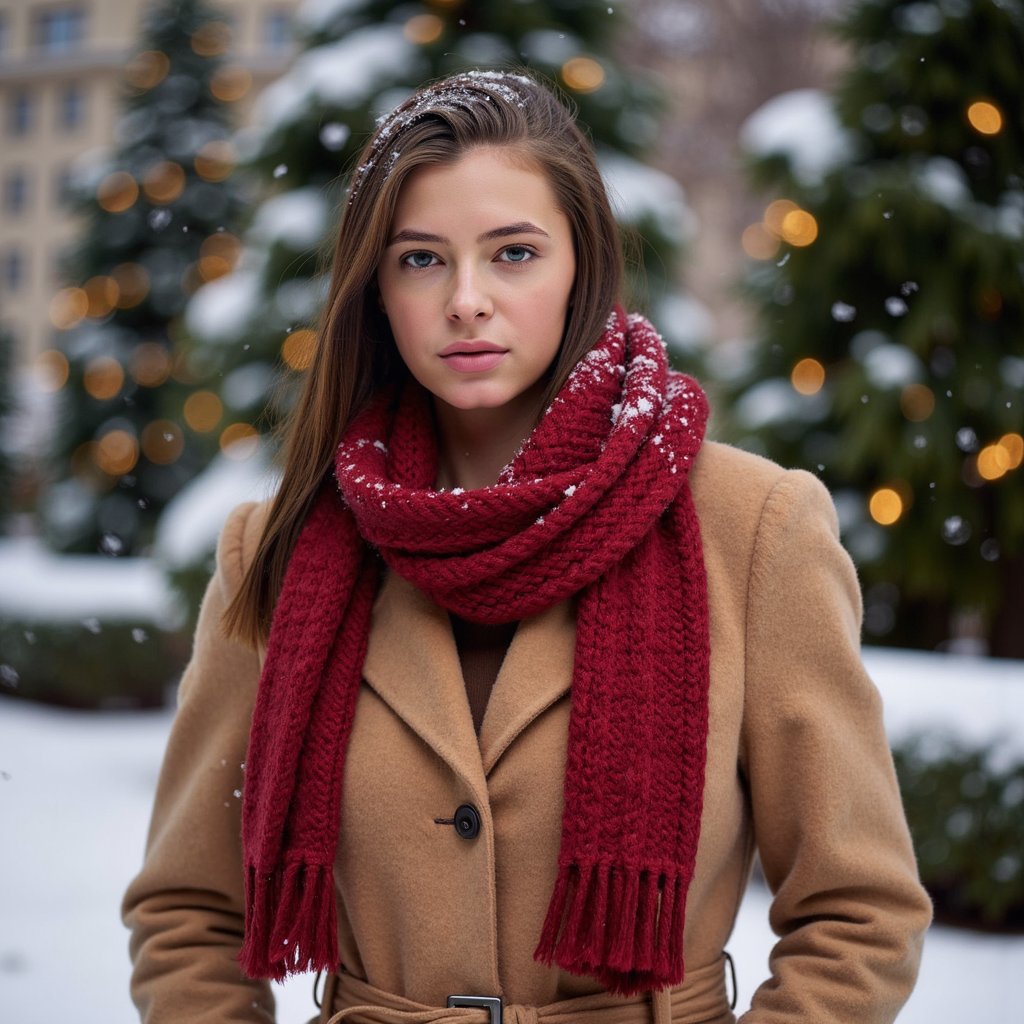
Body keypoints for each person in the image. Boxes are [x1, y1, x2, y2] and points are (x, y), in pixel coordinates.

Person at [122, 70, 932, 1024]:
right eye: (421, 260)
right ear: (375, 290)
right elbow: (188, 911)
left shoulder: (754, 527)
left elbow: (858, 911)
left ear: (579, 266)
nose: (467, 299)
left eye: (513, 253)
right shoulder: (281, 546)